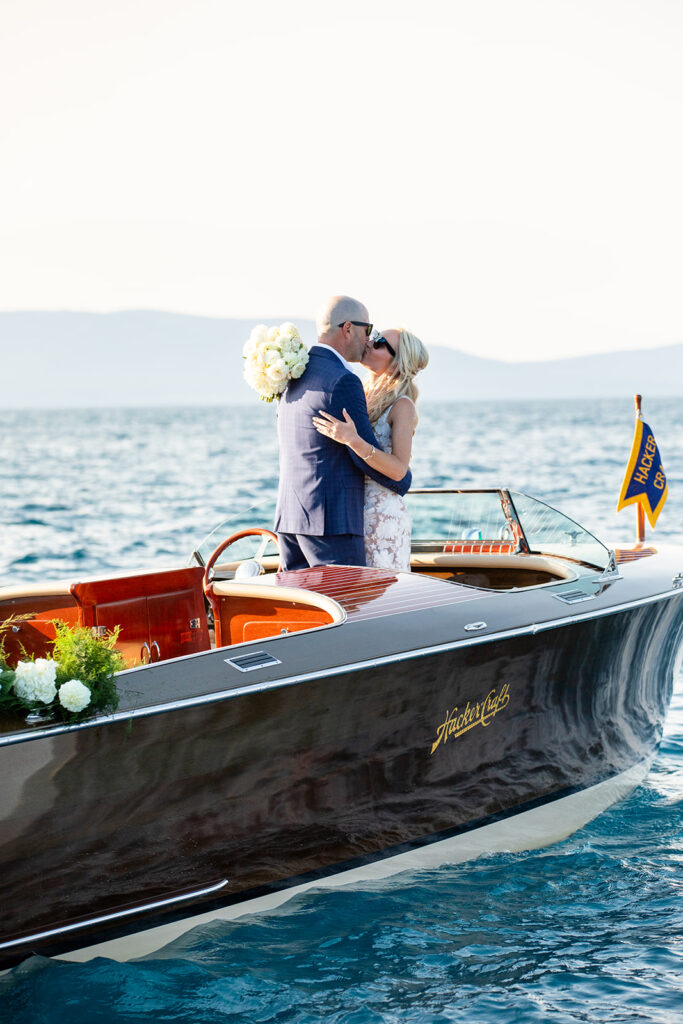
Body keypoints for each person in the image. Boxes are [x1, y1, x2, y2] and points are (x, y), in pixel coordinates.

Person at [274, 296, 412, 571]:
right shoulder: (343, 380)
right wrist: (403, 480)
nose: (369, 339)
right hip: (331, 524)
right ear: (348, 329)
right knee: (350, 609)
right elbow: (363, 456)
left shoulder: (295, 373)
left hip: (291, 519)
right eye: (367, 330)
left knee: (305, 611)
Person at [312, 327, 429, 571]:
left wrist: (353, 440)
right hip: (351, 511)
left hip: (381, 519)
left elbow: (399, 470)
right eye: (373, 336)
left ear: (398, 362)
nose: (368, 342)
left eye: (379, 342)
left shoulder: (403, 405)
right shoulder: (359, 392)